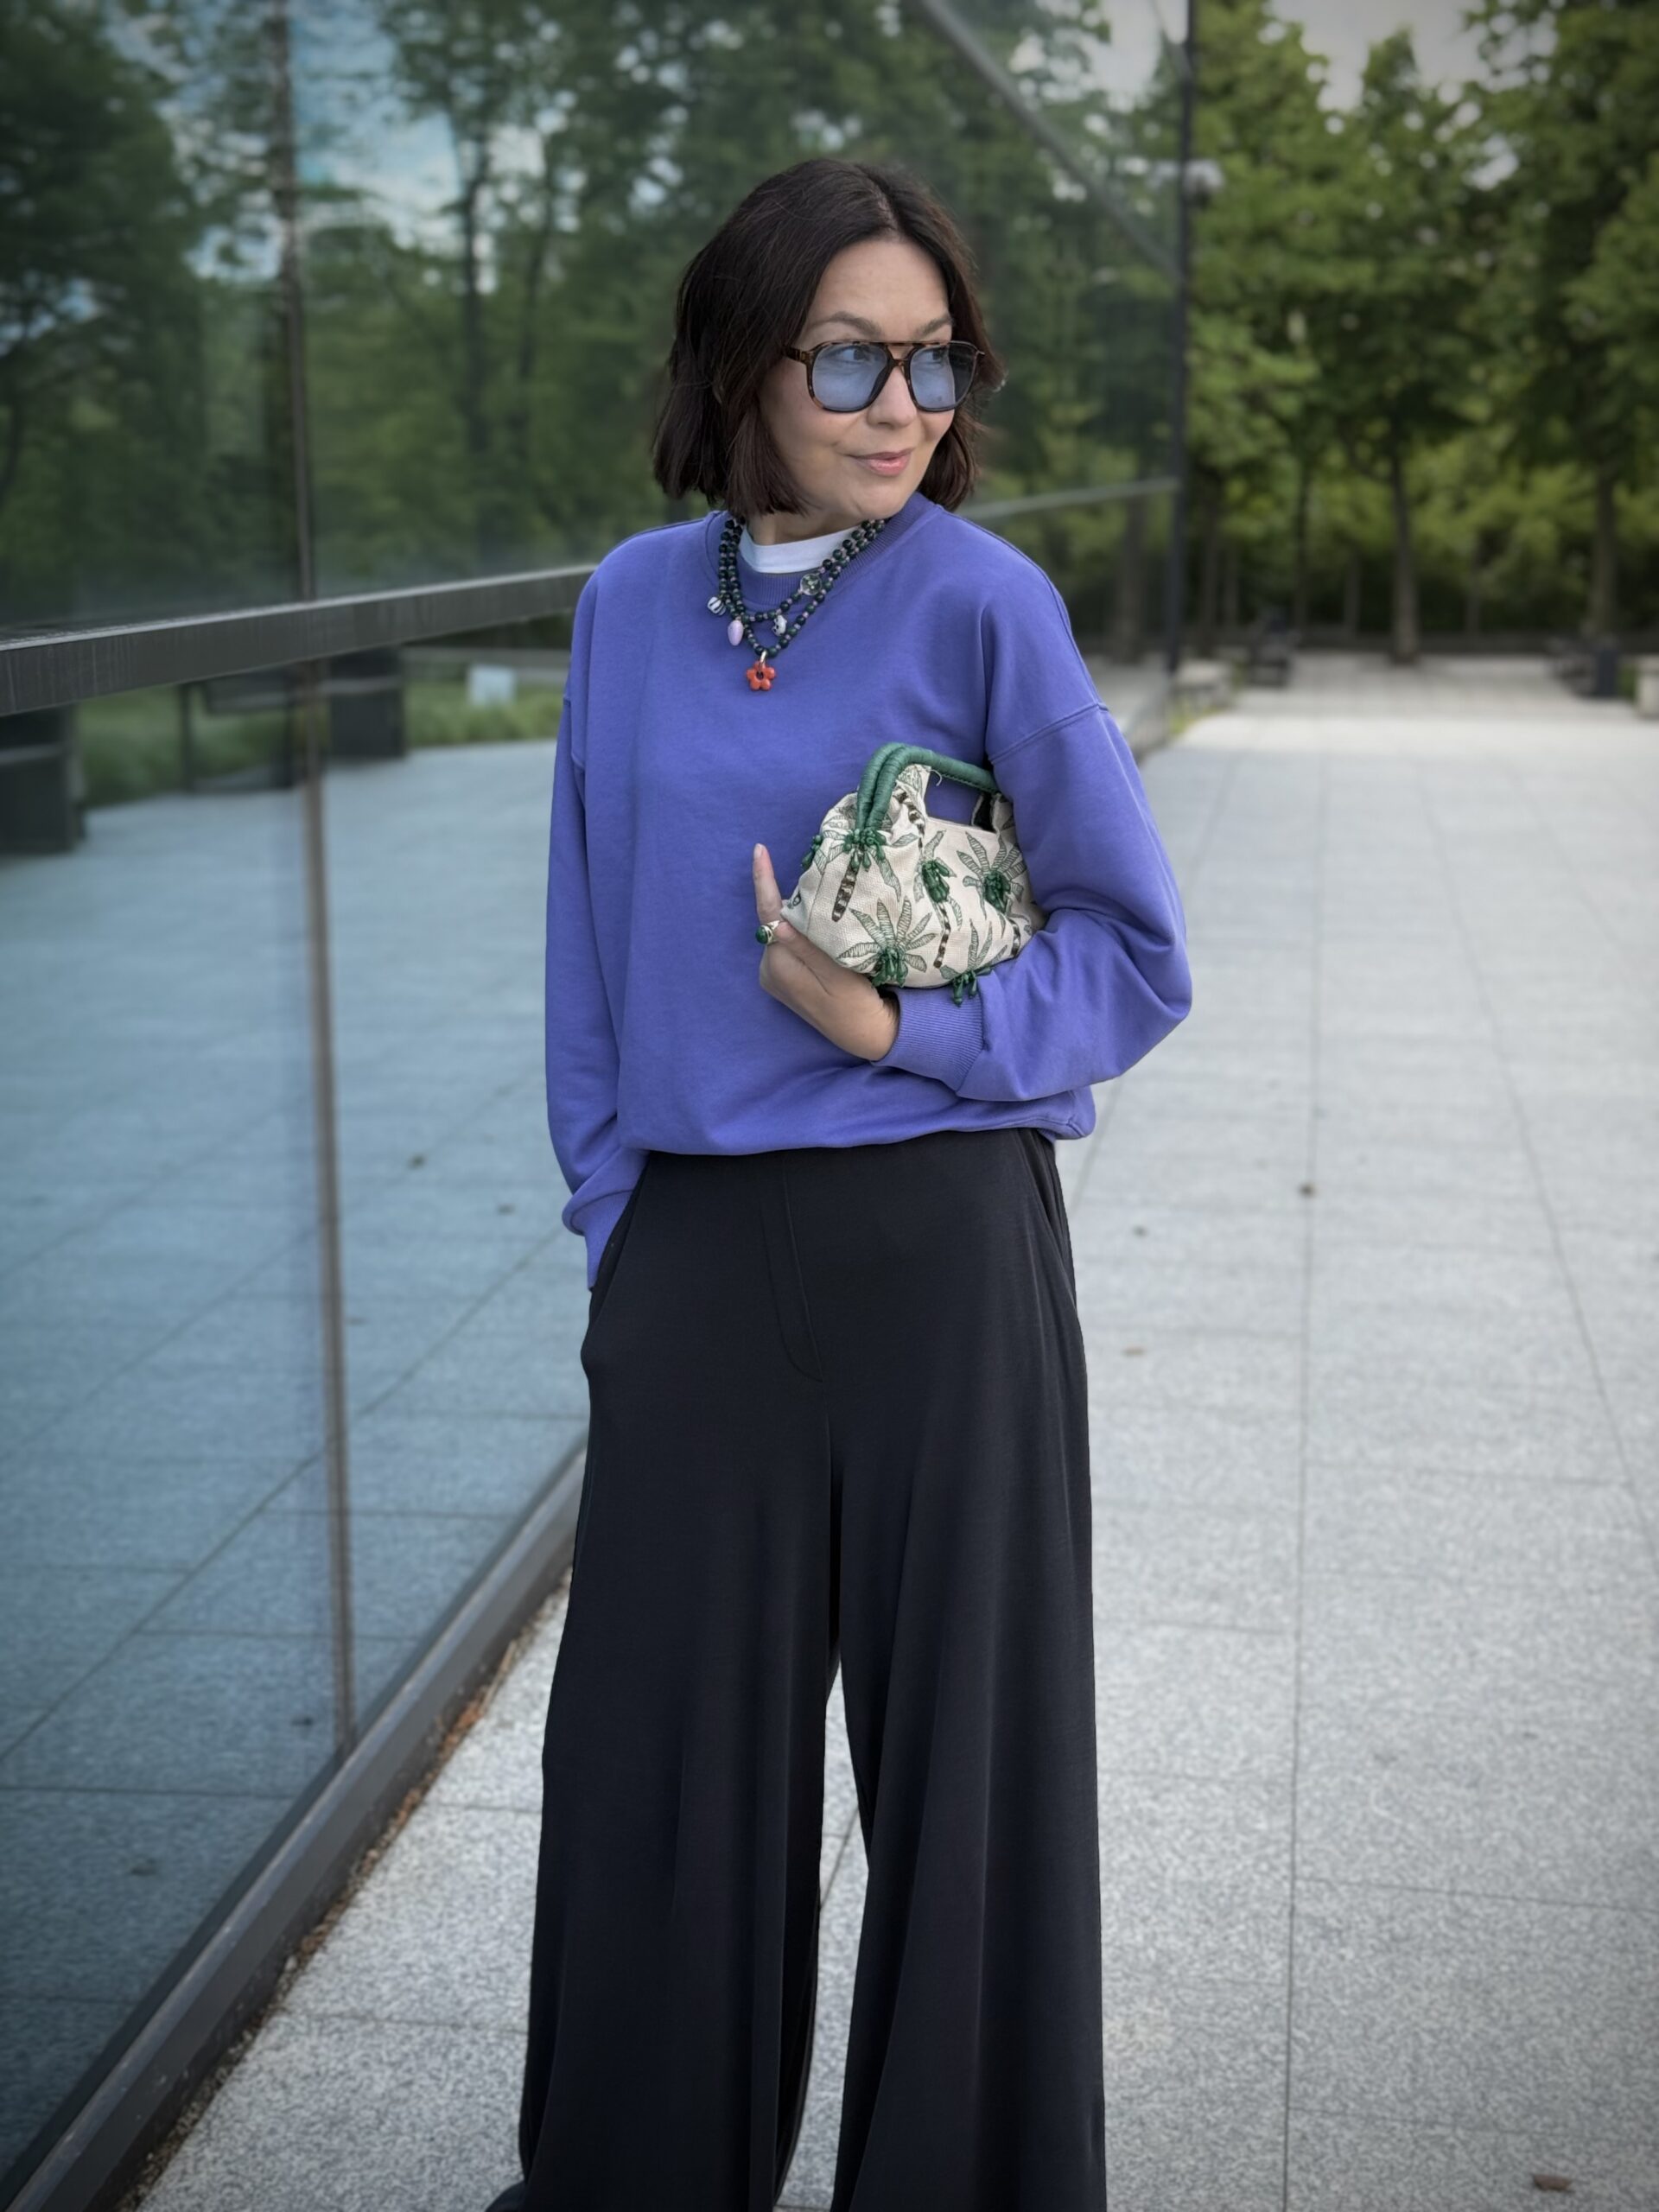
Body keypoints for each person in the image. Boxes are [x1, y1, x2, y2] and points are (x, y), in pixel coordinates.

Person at [484, 155, 1192, 2212]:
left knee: (969, 1777)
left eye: (936, 359)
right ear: (742, 364)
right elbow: (590, 952)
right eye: (854, 357)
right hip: (696, 1256)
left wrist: (899, 1032)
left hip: (939, 1251)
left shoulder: (983, 599)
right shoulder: (630, 602)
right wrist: (619, 1223)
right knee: (652, 1770)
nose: (905, 404)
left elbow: (1135, 953)